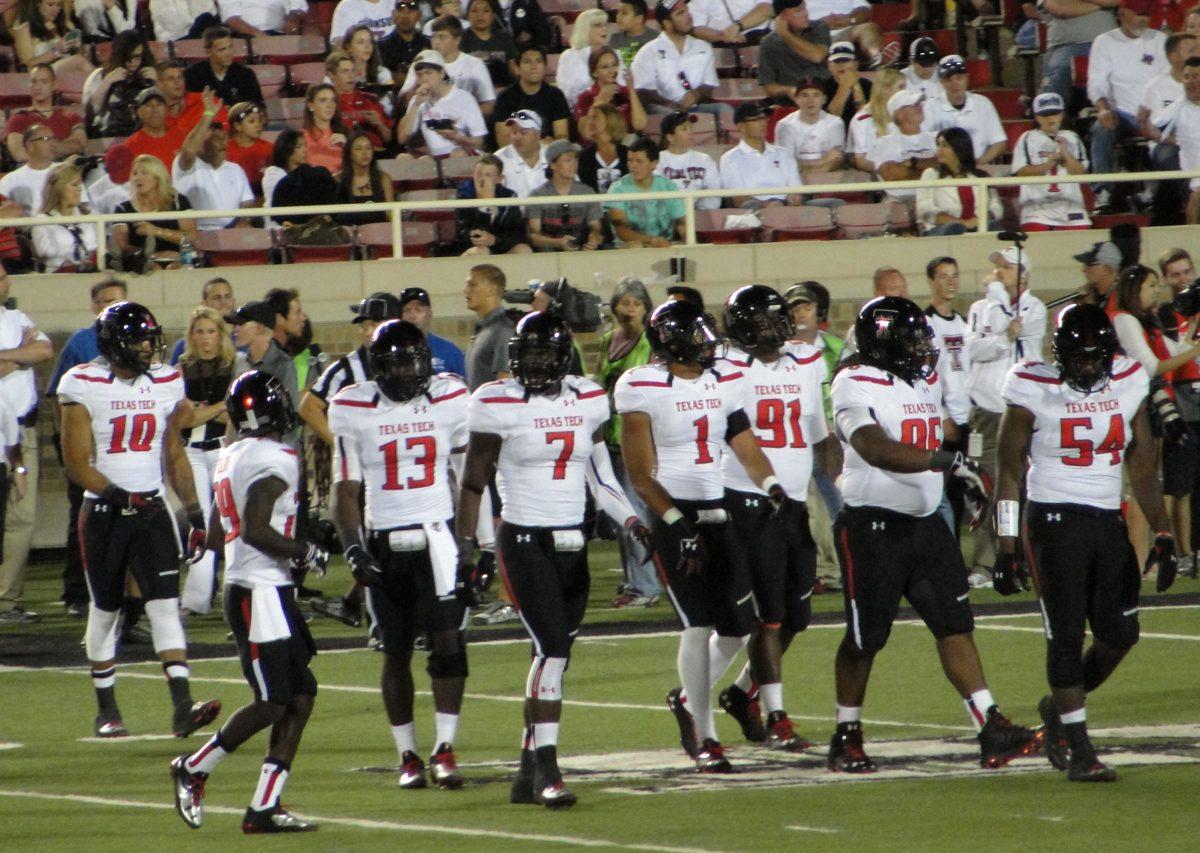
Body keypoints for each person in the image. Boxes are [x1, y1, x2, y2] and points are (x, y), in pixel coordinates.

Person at [827, 295, 1039, 773]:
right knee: (865, 639)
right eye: (912, 337)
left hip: (926, 525)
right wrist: (947, 461)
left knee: (955, 626)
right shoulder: (852, 381)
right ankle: (846, 735)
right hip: (873, 527)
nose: (924, 346)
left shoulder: (917, 378)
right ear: (885, 342)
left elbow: (932, 437)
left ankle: (991, 726)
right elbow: (874, 447)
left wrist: (957, 473)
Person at [457, 311, 649, 806]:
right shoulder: (495, 401)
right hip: (524, 540)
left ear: (564, 357)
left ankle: (525, 772)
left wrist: (633, 523)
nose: (538, 363)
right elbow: (474, 481)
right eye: (531, 353)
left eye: (547, 354)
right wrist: (468, 546)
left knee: (552, 659)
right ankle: (547, 769)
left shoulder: (587, 397)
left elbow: (602, 477)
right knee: (552, 651)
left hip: (572, 544)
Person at [994, 303, 1175, 782]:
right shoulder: (1031, 384)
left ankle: (1059, 708)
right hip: (1053, 517)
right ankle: (1079, 748)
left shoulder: (1129, 379)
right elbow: (1010, 468)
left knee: (1121, 634)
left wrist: (1162, 529)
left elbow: (1140, 466)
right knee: (1066, 634)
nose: (1091, 367)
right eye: (1081, 358)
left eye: (1098, 358)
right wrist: (1007, 542)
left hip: (1105, 518)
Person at [615, 299, 784, 772]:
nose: (708, 343)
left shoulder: (724, 380)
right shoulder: (640, 385)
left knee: (737, 628)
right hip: (674, 512)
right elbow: (640, 475)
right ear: (670, 341)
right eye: (697, 335)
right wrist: (675, 524)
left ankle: (687, 700)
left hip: (719, 509)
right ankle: (705, 735)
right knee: (698, 623)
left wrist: (773, 487)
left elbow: (744, 443)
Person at [171, 371, 327, 834]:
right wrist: (305, 551)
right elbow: (257, 528)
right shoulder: (276, 456)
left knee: (301, 697)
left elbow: (221, 535)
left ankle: (264, 807)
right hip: (258, 593)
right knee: (274, 702)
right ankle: (195, 767)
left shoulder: (230, 453)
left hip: (260, 589)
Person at [58, 301, 219, 738]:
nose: (148, 347)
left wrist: (194, 511)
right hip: (105, 512)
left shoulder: (167, 380)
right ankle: (106, 709)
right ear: (114, 343)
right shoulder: (83, 382)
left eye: (150, 338)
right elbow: (75, 462)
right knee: (106, 611)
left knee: (165, 604)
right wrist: (117, 493)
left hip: (149, 509)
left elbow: (171, 452)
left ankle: (183, 706)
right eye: (139, 339)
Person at [329, 320, 472, 790]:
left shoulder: (450, 396)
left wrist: (477, 544)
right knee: (395, 651)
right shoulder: (352, 405)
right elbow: (344, 488)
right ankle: (407, 753)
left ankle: (445, 747)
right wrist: (352, 547)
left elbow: (467, 477)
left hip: (437, 536)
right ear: (378, 367)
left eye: (415, 361)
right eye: (398, 363)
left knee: (449, 642)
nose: (409, 372)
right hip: (385, 539)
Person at [715, 285, 839, 751]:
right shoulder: (726, 367)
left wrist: (835, 493)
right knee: (767, 616)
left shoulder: (807, 360)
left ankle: (742, 692)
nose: (778, 326)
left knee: (796, 615)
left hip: (794, 503)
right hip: (748, 501)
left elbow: (819, 435)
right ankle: (777, 716)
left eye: (778, 317)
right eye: (765, 320)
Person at [965, 246, 1047, 587]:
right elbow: (974, 348)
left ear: (1023, 275)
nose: (998, 272)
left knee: (1021, 485)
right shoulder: (978, 307)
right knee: (986, 485)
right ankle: (985, 562)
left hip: (1021, 412)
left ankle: (1021, 557)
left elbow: (1015, 331)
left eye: (1006, 268)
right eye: (996, 267)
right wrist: (1001, 337)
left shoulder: (1037, 308)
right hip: (985, 410)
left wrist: (999, 307)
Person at [46, 276, 128, 619]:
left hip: (122, 447)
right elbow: (57, 396)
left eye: (119, 301)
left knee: (125, 521)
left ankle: (123, 594)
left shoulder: (133, 339)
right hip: (88, 446)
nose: (113, 308)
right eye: (107, 302)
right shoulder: (81, 342)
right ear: (95, 306)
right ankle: (77, 591)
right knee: (82, 518)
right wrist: (73, 444)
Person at [177, 306, 245, 616]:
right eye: (199, 331)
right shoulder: (181, 367)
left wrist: (203, 410)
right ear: (191, 335)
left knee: (229, 520)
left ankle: (238, 589)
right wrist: (218, 405)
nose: (206, 338)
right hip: (191, 450)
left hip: (223, 450)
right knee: (200, 523)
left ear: (222, 333)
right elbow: (183, 419)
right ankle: (195, 599)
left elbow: (234, 413)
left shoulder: (236, 364)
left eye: (211, 331)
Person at [596, 278, 659, 607]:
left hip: (642, 440)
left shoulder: (652, 342)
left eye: (637, 302)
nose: (631, 308)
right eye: (625, 302)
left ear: (647, 308)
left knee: (634, 513)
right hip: (614, 438)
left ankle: (647, 586)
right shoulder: (609, 340)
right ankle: (635, 580)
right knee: (620, 514)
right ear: (615, 306)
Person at [0, 265, 51, 625]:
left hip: (22, 431)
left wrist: (10, 356)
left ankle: (7, 601)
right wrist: (20, 352)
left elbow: (45, 349)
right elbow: (31, 350)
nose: (2, 283)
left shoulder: (17, 317)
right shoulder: (19, 329)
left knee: (23, 518)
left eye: (3, 277)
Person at [1087, 0, 1167, 210]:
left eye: (1147, 14)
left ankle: (1155, 193)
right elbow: (1097, 84)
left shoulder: (1160, 40)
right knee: (1100, 128)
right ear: (1122, 14)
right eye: (1139, 13)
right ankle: (1102, 191)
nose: (1144, 19)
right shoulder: (1104, 42)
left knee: (1171, 127)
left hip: (1155, 112)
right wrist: (1103, 109)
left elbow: (1167, 82)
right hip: (1120, 112)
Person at [173, 90, 254, 231]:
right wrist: (208, 114)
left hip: (232, 231)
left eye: (224, 139)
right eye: (216, 139)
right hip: (197, 232)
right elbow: (190, 149)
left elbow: (247, 201)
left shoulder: (235, 169)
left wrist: (243, 220)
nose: (224, 144)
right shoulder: (186, 165)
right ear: (201, 144)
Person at [1012, 92, 1091, 231]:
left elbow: (1080, 173)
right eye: (1045, 114)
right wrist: (1046, 166)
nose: (1050, 118)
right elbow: (1021, 173)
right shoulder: (1027, 138)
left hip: (1071, 208)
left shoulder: (1072, 137)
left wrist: (1066, 154)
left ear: (1062, 114)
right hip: (1036, 210)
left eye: (1054, 113)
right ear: (1037, 117)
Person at [632, 0, 723, 117]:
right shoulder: (648, 53)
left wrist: (697, 94)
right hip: (663, 112)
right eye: (681, 13)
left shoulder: (704, 47)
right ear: (667, 23)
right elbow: (643, 92)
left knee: (724, 110)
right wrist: (669, 104)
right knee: (673, 118)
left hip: (696, 109)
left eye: (687, 11)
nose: (689, 16)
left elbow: (709, 84)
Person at [112, 154, 196, 272]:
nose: (138, 178)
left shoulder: (178, 202)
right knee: (153, 269)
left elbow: (191, 237)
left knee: (176, 268)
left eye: (144, 173)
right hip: (140, 264)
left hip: (178, 260)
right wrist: (152, 256)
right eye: (135, 173)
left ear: (157, 177)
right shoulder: (123, 209)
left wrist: (156, 231)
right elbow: (122, 248)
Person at [399, 16, 496, 117]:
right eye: (433, 36)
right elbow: (404, 103)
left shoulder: (475, 64)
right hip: (427, 121)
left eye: (441, 37)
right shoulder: (420, 63)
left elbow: (489, 105)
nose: (435, 42)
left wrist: (462, 115)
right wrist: (417, 84)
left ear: (457, 40)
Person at [397, 49, 487, 157]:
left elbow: (479, 142)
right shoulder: (418, 100)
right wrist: (416, 105)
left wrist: (458, 138)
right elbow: (402, 138)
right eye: (419, 75)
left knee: (458, 154)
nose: (424, 78)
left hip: (462, 153)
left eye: (429, 73)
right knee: (403, 157)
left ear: (442, 73)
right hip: (434, 158)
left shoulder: (464, 98)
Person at [916, 127, 1003, 235]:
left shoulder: (981, 176)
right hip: (941, 229)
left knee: (994, 227)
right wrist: (961, 223)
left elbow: (997, 208)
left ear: (960, 148)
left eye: (945, 146)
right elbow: (925, 210)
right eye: (938, 145)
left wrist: (981, 220)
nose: (939, 150)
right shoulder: (931, 174)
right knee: (954, 228)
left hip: (978, 226)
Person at [923, 54, 1007, 165]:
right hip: (942, 171)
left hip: (978, 168)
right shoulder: (929, 107)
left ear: (967, 78)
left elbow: (999, 142)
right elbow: (923, 146)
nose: (955, 84)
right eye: (948, 79)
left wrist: (979, 163)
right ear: (941, 82)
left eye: (959, 78)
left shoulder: (983, 104)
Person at [719, 101, 803, 207]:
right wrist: (767, 205)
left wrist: (793, 199)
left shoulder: (784, 154)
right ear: (741, 127)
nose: (763, 123)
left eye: (764, 118)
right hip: (751, 213)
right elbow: (737, 198)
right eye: (756, 119)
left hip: (786, 210)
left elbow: (796, 189)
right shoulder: (730, 158)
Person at [605, 137, 684, 248]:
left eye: (639, 161)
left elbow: (682, 222)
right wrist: (652, 240)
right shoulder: (617, 189)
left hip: (665, 245)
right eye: (630, 160)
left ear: (654, 163)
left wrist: (688, 239)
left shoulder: (669, 187)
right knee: (636, 246)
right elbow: (621, 230)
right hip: (629, 248)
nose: (633, 165)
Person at [527, 139, 605, 251]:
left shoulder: (587, 192)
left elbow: (596, 227)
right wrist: (557, 243)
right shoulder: (537, 195)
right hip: (549, 255)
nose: (573, 164)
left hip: (582, 251)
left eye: (575, 160)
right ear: (553, 165)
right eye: (568, 160)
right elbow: (534, 237)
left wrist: (594, 239)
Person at [226, 301, 299, 414]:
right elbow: (229, 410)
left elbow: (290, 413)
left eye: (240, 324)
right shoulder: (239, 362)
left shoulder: (283, 365)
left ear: (259, 328)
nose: (235, 330)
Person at [450, 155, 531, 255]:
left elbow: (517, 235)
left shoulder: (509, 197)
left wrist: (494, 240)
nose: (481, 180)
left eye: (488, 175)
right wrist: (485, 205)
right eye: (478, 174)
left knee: (523, 249)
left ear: (499, 179)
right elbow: (465, 236)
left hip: (501, 248)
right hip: (472, 250)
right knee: (482, 250)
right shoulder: (464, 195)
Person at [4, 65, 85, 163]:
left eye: (44, 81)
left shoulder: (71, 117)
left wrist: (40, 147)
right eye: (34, 82)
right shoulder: (18, 119)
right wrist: (59, 148)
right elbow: (19, 154)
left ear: (54, 85)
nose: (38, 87)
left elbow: (80, 144)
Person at [493, 46, 571, 146]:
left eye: (538, 61)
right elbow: (503, 139)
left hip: (547, 154)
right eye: (527, 62)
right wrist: (535, 145)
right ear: (517, 68)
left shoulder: (556, 95)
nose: (534, 66)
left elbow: (562, 135)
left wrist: (551, 145)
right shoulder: (505, 97)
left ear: (545, 67)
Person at [83, 31, 155, 138]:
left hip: (144, 136)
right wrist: (107, 83)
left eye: (137, 57)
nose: (133, 62)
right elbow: (90, 115)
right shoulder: (99, 76)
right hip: (107, 136)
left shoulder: (149, 76)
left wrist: (158, 83)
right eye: (128, 57)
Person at [868, 89, 937, 202]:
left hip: (936, 198)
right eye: (914, 105)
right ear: (899, 113)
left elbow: (949, 167)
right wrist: (932, 170)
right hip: (899, 200)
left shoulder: (937, 137)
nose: (920, 107)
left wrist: (910, 164)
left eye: (920, 104)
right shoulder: (885, 143)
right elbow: (892, 175)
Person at [757, 0, 832, 99]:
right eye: (798, 11)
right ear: (782, 17)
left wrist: (785, 34)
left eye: (805, 8)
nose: (805, 14)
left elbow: (817, 56)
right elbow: (769, 87)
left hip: (825, 92)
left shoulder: (819, 27)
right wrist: (789, 90)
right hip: (791, 101)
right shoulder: (768, 43)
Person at [32, 163, 99, 273]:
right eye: (74, 184)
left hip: (90, 273)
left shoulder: (90, 216)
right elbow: (46, 254)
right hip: (58, 278)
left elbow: (99, 247)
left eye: (80, 184)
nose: (80, 189)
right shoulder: (42, 221)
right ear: (60, 188)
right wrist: (72, 265)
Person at [774, 77, 846, 176]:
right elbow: (785, 163)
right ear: (796, 99)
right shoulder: (785, 125)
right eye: (805, 95)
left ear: (824, 99)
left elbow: (835, 161)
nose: (810, 101)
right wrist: (822, 161)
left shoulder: (835, 123)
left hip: (828, 178)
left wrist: (804, 166)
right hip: (794, 178)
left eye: (816, 95)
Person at [559, 8, 626, 110]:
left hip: (614, 108)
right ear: (585, 29)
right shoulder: (569, 57)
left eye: (605, 24)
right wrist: (597, 93)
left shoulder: (616, 54)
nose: (604, 29)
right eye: (598, 25)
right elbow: (566, 94)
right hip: (580, 109)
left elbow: (623, 85)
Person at [269, 132, 340, 226]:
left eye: (305, 145)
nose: (305, 150)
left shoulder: (317, 176)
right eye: (299, 146)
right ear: (286, 150)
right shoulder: (275, 176)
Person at [326, 50, 393, 151]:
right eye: (345, 71)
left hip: (377, 153)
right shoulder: (327, 103)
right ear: (331, 75)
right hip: (343, 154)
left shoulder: (370, 99)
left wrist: (379, 124)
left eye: (353, 71)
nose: (351, 76)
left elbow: (388, 139)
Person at [573, 47, 647, 136]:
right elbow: (586, 134)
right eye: (605, 67)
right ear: (595, 73)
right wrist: (599, 101)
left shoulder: (626, 92)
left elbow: (640, 125)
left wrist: (631, 89)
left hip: (627, 142)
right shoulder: (585, 97)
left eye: (614, 65)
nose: (612, 71)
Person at [655, 112, 721, 210]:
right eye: (684, 129)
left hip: (701, 216)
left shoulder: (705, 160)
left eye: (691, 128)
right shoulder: (657, 160)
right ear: (670, 137)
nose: (690, 132)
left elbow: (714, 195)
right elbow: (656, 194)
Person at [183, 26, 263, 106]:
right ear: (208, 52)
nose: (228, 54)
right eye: (222, 49)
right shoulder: (192, 76)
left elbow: (258, 107)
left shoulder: (246, 74)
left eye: (230, 47)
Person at [10, 0, 93, 73]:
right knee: (78, 61)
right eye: (50, 4)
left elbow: (81, 59)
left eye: (58, 5)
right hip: (41, 74)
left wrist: (77, 48)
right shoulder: (24, 30)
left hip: (69, 73)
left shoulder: (66, 25)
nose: (55, 9)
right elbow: (28, 65)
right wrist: (56, 51)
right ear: (38, 4)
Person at [846, 67, 902, 173]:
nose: (906, 91)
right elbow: (861, 161)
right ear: (886, 89)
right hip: (874, 179)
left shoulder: (904, 114)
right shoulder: (862, 120)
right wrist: (890, 172)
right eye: (901, 87)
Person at [334, 130, 393, 227]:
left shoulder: (383, 179)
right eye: (358, 149)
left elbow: (391, 216)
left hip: (378, 235)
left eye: (368, 148)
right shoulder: (337, 180)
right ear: (349, 153)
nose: (364, 153)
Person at [0, 124, 56, 216]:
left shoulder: (67, 171)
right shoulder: (10, 180)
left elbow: (83, 207)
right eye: (46, 139)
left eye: (53, 138)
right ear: (30, 145)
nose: (52, 143)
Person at [126, 87, 188, 171]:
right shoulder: (130, 146)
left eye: (159, 104)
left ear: (167, 110)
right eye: (148, 105)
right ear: (139, 113)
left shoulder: (181, 137)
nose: (155, 109)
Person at [461, 0, 517, 87]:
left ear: (493, 15)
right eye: (474, 11)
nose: (480, 16)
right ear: (467, 15)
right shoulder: (461, 38)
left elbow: (513, 69)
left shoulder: (504, 37)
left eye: (486, 11)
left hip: (501, 88)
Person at [576, 103, 630, 193]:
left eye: (595, 117)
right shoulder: (583, 157)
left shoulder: (629, 154)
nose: (589, 122)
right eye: (588, 118)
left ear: (610, 120)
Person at [226, 102, 274, 199]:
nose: (258, 125)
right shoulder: (225, 150)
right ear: (237, 126)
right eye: (252, 121)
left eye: (259, 120)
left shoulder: (269, 148)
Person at [494, 110, 547, 197]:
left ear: (538, 134)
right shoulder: (499, 159)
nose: (517, 137)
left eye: (523, 132)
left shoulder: (553, 156)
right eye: (514, 132)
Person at [822, 40, 872, 127]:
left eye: (846, 60)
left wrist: (856, 87)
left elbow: (867, 122)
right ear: (829, 65)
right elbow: (829, 121)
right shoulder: (822, 87)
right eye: (836, 61)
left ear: (856, 64)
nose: (841, 64)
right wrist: (845, 86)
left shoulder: (869, 86)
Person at [690, 0, 773, 45]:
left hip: (759, 43)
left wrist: (737, 27)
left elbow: (766, 9)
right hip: (722, 48)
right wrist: (723, 36)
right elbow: (695, 27)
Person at [219, 0, 305, 37]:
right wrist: (255, 33)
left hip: (282, 34)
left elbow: (299, 8)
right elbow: (231, 18)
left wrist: (293, 19)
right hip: (244, 35)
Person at [612, 0, 656, 67]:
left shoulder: (655, 38)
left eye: (624, 13)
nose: (618, 16)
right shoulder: (615, 39)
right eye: (618, 12)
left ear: (639, 18)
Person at [901, 36, 941, 101]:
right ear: (911, 61)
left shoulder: (945, 77)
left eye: (931, 64)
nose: (927, 69)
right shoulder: (900, 80)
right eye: (923, 64)